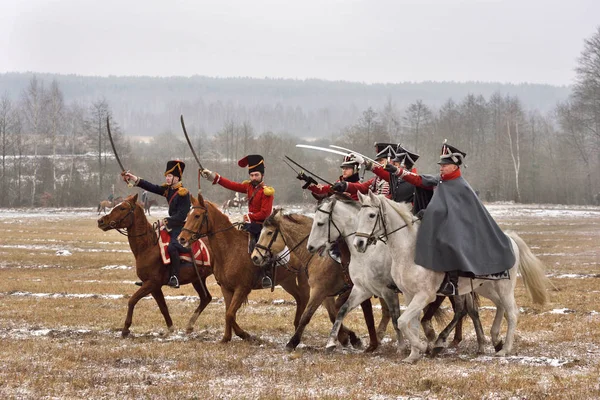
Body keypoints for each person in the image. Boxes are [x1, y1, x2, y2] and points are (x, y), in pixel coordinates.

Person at [384, 142, 515, 296]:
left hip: (459, 225)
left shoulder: (460, 185)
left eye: (445, 164)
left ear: (455, 166)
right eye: (441, 164)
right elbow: (419, 180)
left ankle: (451, 282)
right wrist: (397, 171)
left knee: (449, 242)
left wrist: (429, 212)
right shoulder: (441, 179)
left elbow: (452, 210)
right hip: (443, 222)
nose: (441, 167)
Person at [200, 154, 275, 288]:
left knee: (260, 247)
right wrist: (213, 176)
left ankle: (266, 274)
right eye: (251, 175)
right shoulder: (249, 188)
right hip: (250, 225)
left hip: (262, 226)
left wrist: (251, 217)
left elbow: (265, 213)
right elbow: (231, 185)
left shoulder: (266, 192)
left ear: (262, 175)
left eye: (256, 175)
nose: (253, 178)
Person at [122, 160, 190, 289]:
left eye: (169, 176)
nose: (167, 178)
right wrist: (133, 178)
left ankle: (174, 277)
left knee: (172, 248)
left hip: (180, 227)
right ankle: (151, 276)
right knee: (153, 245)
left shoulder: (183, 193)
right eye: (166, 176)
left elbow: (182, 215)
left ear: (177, 177)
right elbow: (151, 186)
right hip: (170, 225)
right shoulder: (168, 190)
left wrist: (166, 221)